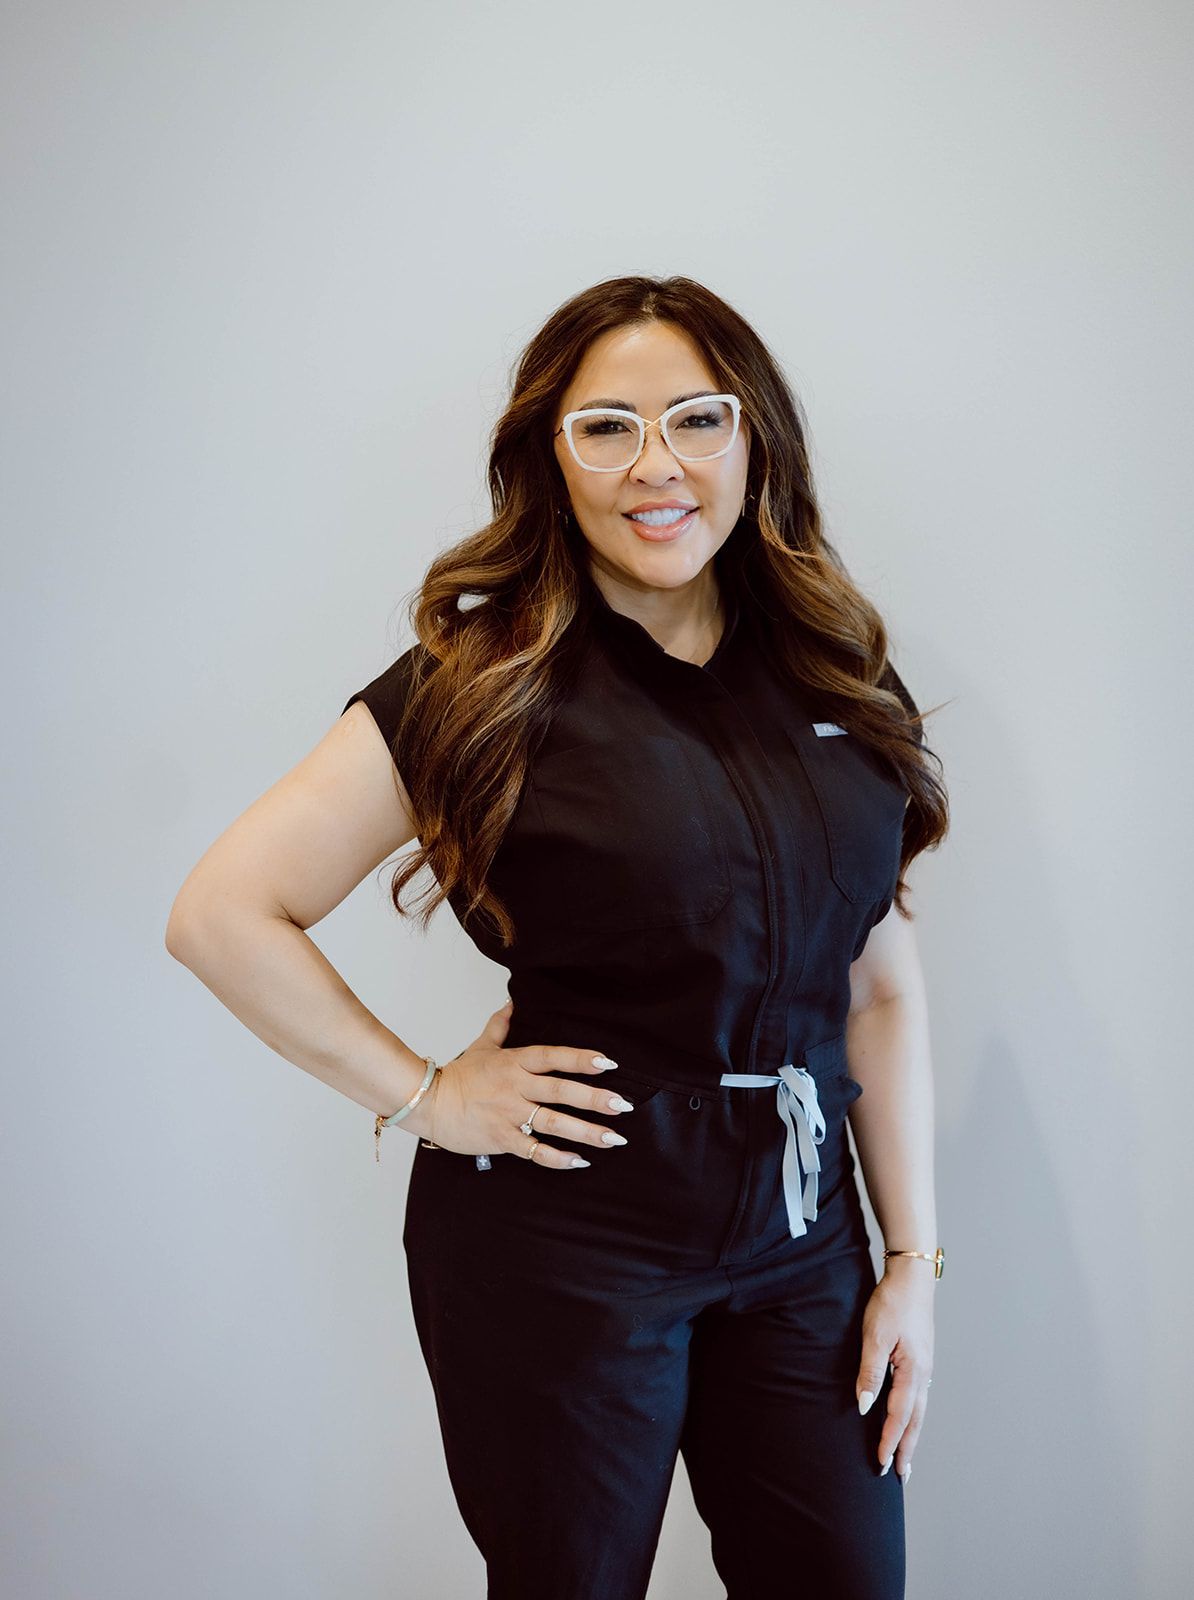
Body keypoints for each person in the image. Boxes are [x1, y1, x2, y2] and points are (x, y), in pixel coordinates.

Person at [166, 275, 949, 1600]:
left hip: (802, 1240)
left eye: (697, 420)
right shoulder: (480, 681)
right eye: (606, 428)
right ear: (548, 453)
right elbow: (223, 912)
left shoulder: (831, 671)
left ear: (754, 439)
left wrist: (910, 1265)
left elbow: (873, 985)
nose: (658, 465)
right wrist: (425, 1093)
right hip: (568, 1240)